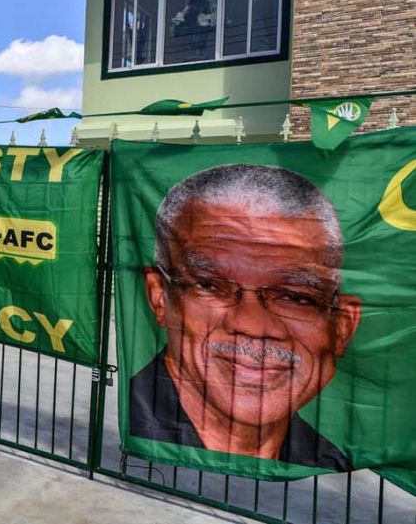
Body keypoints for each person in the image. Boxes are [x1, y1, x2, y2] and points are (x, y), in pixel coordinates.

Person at [133, 163, 362, 470]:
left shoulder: (326, 463)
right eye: (209, 286)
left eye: (296, 297)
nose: (253, 326)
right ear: (159, 297)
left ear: (343, 327)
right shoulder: (127, 419)